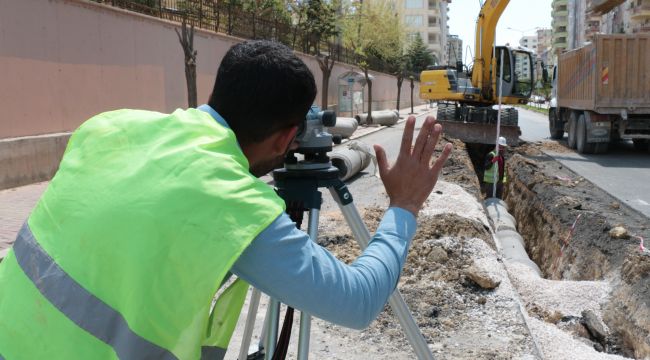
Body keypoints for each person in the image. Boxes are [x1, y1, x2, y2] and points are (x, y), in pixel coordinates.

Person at [0, 40, 452, 360]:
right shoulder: (231, 203)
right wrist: (404, 206)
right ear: (287, 138)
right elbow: (358, 301)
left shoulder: (109, 127)